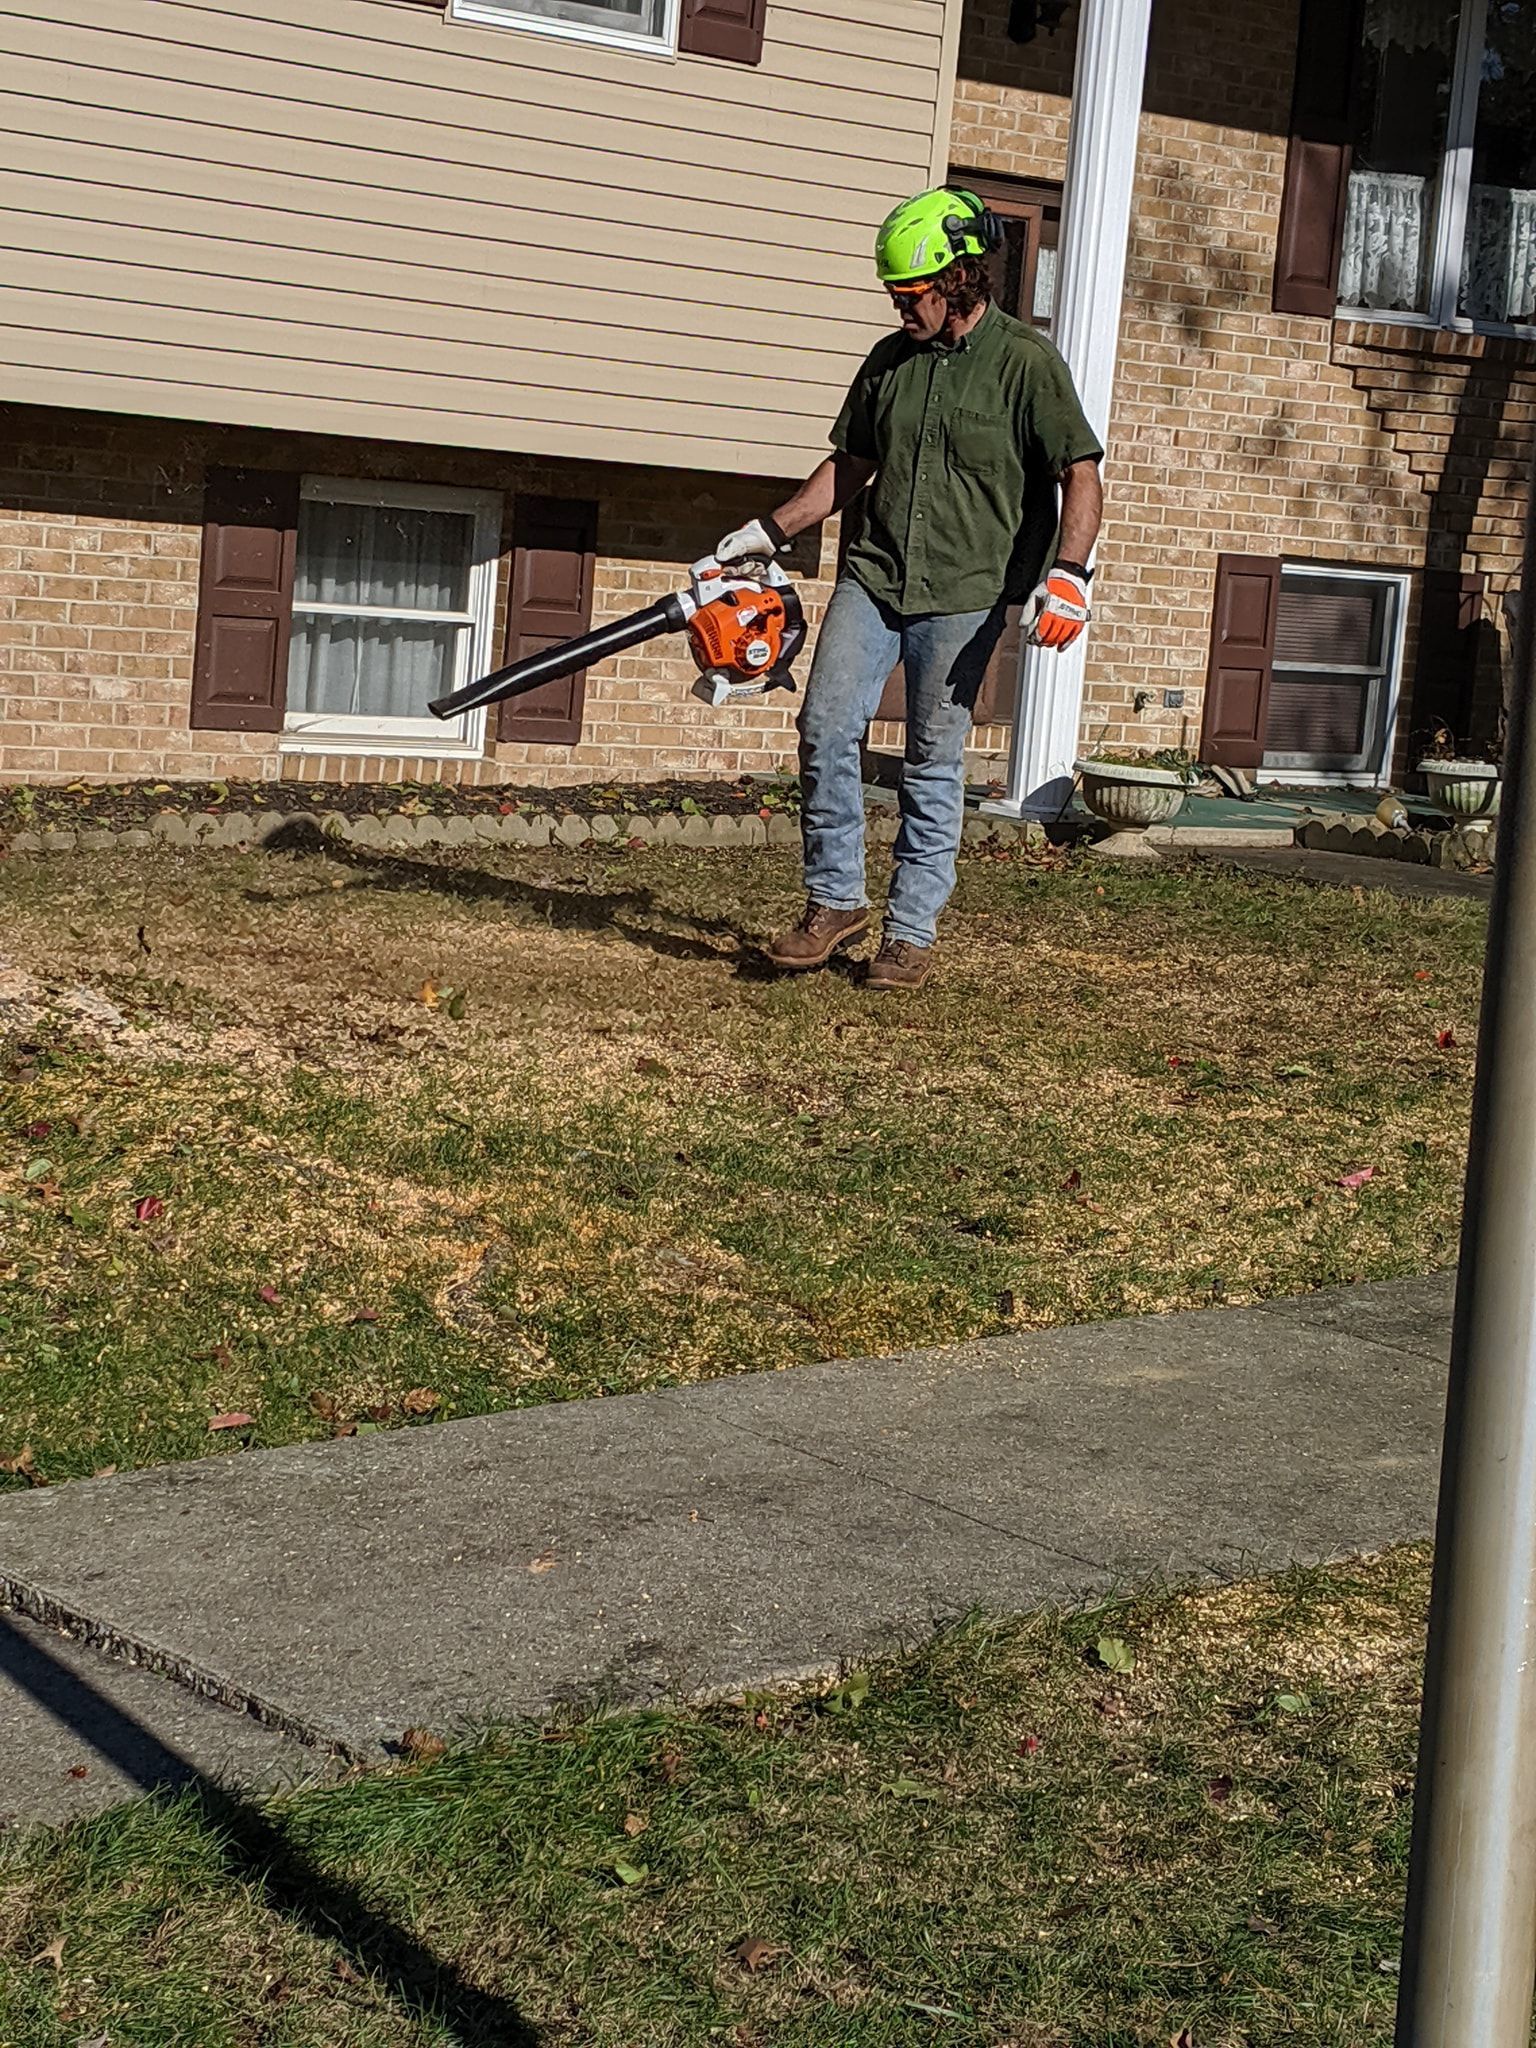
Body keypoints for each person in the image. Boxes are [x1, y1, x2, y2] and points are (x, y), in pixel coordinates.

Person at [712, 186, 1104, 991]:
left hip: (966, 590)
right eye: (894, 298)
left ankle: (910, 934)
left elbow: (1081, 472)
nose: (900, 311)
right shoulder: (889, 362)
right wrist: (769, 530)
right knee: (824, 727)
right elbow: (852, 464)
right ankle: (835, 901)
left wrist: (1068, 576)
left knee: (931, 762)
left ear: (957, 281)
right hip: (876, 573)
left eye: (911, 296)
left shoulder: (1024, 362)